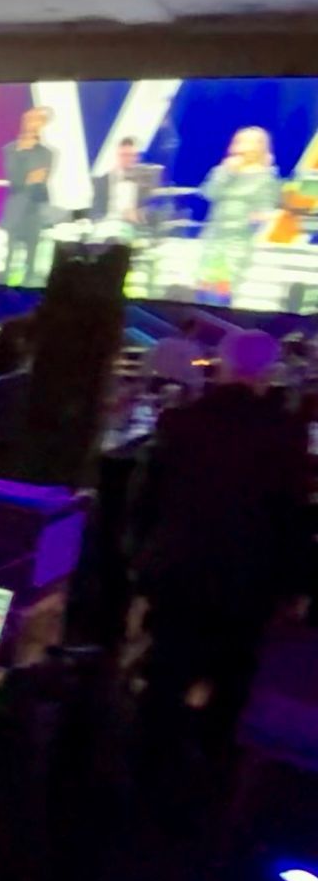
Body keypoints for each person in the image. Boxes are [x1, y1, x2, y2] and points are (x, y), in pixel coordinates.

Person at [131, 328, 309, 787]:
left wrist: (142, 561)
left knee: (167, 671)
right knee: (233, 680)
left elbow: (148, 503)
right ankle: (211, 774)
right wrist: (295, 585)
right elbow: (289, 517)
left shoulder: (181, 421)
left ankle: (147, 770)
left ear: (222, 364)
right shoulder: (285, 433)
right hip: (248, 577)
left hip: (180, 568)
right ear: (269, 371)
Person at [200, 126, 281, 303]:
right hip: (213, 236)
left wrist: (260, 217)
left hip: (238, 241)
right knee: (203, 285)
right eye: (237, 141)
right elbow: (209, 193)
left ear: (258, 146)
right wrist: (226, 172)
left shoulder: (266, 177)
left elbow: (266, 207)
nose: (238, 146)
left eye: (244, 141)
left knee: (222, 289)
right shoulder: (222, 171)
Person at [1, 105, 56, 287]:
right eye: (31, 119)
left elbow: (41, 179)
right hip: (15, 209)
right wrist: (28, 177)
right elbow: (13, 177)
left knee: (30, 264)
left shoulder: (46, 153)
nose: (33, 123)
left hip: (34, 211)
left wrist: (27, 178)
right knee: (8, 260)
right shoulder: (9, 149)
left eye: (38, 120)